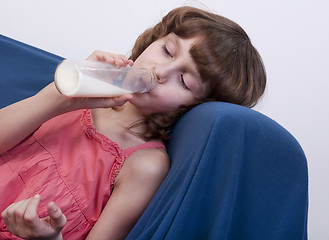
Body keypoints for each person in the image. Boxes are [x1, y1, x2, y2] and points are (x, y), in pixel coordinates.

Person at [0, 6, 266, 240]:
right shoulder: (82, 91)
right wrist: (56, 99)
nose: (160, 72)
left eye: (184, 81)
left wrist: (48, 238)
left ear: (196, 106)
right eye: (167, 50)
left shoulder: (145, 165)